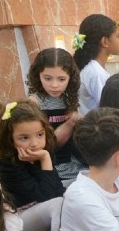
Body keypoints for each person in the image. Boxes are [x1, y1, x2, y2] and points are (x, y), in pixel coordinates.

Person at [0, 102, 65, 231]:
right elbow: (46, 197)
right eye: (24, 138)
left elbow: (57, 188)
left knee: (78, 187)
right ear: (9, 139)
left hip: (41, 206)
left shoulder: (42, 152)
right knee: (58, 204)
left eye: (39, 135)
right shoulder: (5, 165)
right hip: (18, 218)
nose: (35, 143)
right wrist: (45, 159)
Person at [26, 48, 84, 181]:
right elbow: (47, 144)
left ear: (71, 78)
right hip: (49, 165)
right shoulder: (34, 102)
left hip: (72, 161)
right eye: (47, 78)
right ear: (37, 76)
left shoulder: (69, 100)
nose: (54, 85)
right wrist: (69, 124)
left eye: (62, 79)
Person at [73, 14, 119, 115]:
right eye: (117, 36)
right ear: (105, 41)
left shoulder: (93, 68)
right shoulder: (96, 73)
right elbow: (108, 109)